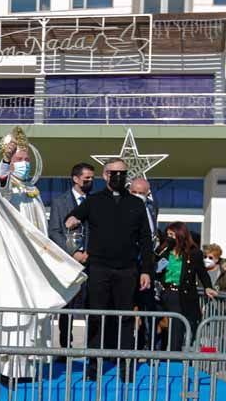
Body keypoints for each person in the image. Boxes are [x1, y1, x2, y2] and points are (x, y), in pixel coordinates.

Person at [0, 128, 85, 380]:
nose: (23, 164)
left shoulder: (32, 193)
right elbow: (0, 185)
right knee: (11, 309)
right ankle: (2, 365)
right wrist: (5, 160)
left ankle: (26, 366)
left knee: (31, 311)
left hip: (31, 263)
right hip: (8, 262)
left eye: (26, 160)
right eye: (18, 160)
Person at [65, 157, 154, 381]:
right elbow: (71, 219)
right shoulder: (93, 201)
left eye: (122, 173)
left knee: (125, 319)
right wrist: (72, 220)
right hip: (99, 269)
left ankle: (125, 366)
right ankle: (93, 365)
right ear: (105, 176)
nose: (118, 177)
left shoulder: (136, 204)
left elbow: (145, 240)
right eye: (113, 173)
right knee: (96, 316)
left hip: (127, 270)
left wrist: (146, 271)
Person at [47, 162, 95, 348]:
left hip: (91, 260)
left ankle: (92, 346)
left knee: (92, 304)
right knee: (67, 306)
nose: (90, 181)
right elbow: (54, 231)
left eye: (92, 178)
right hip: (69, 262)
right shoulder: (60, 202)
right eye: (86, 178)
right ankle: (65, 344)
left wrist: (89, 252)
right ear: (75, 179)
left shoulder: (95, 201)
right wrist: (73, 253)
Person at [156, 222, 217, 350]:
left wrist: (208, 287)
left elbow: (202, 272)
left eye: (172, 235)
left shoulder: (193, 254)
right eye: (167, 235)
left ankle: (174, 357)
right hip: (164, 291)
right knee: (159, 325)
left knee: (177, 326)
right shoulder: (164, 251)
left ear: (180, 235)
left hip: (181, 294)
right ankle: (157, 353)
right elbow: (155, 270)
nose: (169, 238)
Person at [129, 176, 161, 348]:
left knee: (147, 308)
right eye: (134, 192)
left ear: (147, 194)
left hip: (147, 266)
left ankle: (146, 345)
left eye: (141, 193)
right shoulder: (122, 207)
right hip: (128, 265)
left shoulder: (152, 207)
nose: (137, 196)